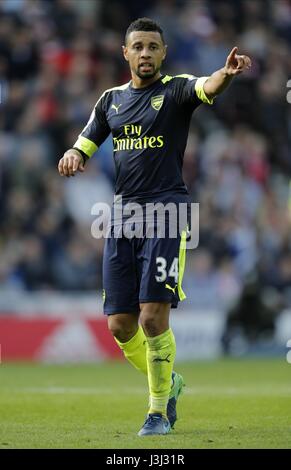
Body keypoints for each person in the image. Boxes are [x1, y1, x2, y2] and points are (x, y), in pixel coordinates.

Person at [58, 17, 251, 436]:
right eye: (138, 47)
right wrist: (74, 155)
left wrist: (226, 75)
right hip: (123, 217)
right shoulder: (110, 100)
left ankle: (157, 412)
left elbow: (209, 85)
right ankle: (172, 380)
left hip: (167, 213)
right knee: (120, 325)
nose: (145, 54)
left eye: (152, 47)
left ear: (163, 53)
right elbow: (85, 141)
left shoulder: (176, 89)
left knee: (151, 318)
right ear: (125, 53)